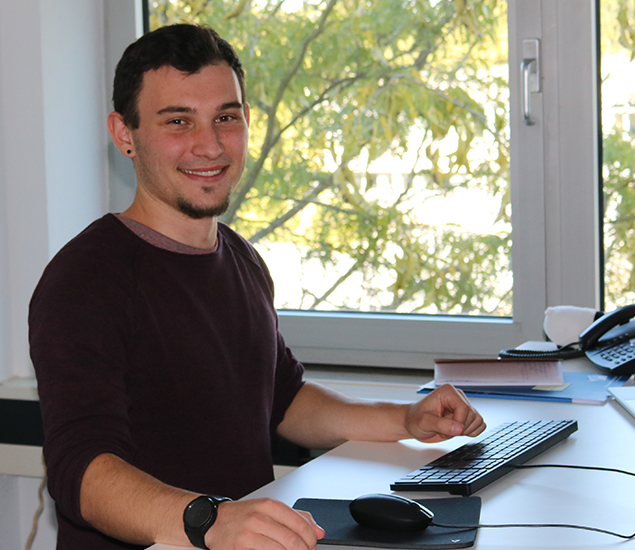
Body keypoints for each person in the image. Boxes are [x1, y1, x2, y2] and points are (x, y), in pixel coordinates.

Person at [29, 23, 486, 550]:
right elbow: (82, 471)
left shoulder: (240, 258)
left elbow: (284, 401)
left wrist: (404, 419)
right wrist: (211, 520)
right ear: (124, 134)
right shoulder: (85, 280)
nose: (209, 145)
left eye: (225, 118)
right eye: (178, 121)